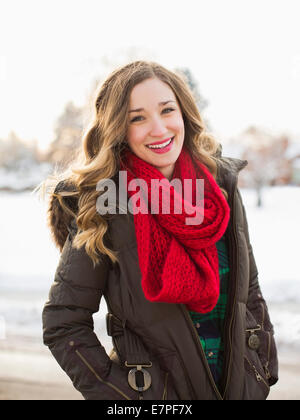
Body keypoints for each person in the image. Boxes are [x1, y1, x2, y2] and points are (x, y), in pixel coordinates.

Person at [42, 61, 278, 400]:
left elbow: (249, 289)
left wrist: (261, 368)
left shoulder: (220, 188)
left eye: (167, 110)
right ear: (118, 129)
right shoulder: (106, 203)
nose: (158, 128)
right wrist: (126, 398)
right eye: (137, 117)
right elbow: (63, 323)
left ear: (184, 113)